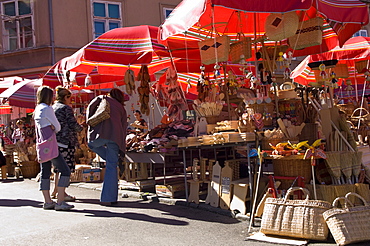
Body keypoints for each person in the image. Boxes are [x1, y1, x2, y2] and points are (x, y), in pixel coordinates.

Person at [33, 86, 74, 211]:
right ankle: (60, 201)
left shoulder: (37, 109)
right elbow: (57, 127)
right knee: (65, 170)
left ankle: (47, 201)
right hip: (51, 144)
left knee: (45, 171)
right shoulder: (47, 108)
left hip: (41, 144)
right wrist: (52, 126)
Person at [87, 88, 127, 206]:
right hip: (116, 136)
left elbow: (90, 109)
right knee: (111, 166)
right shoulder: (121, 108)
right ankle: (108, 198)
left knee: (91, 145)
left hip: (100, 133)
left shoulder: (101, 98)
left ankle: (111, 160)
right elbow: (123, 127)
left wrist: (90, 125)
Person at [51, 86, 84, 201]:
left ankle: (55, 190)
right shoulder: (66, 108)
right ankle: (62, 192)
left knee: (57, 167)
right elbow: (72, 124)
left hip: (56, 140)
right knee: (66, 168)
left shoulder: (53, 107)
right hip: (66, 140)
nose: (71, 100)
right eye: (69, 97)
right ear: (66, 97)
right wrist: (81, 127)